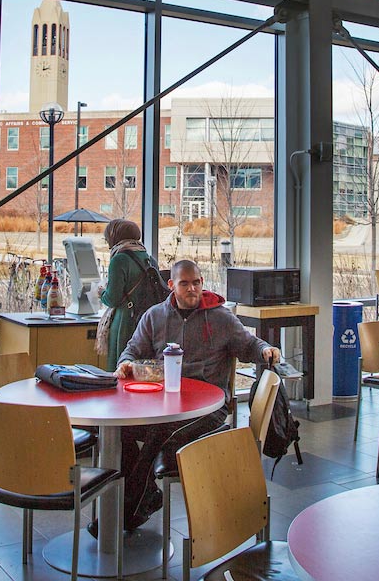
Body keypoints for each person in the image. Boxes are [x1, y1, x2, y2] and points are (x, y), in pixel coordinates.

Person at [115, 259, 280, 531]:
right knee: (122, 431)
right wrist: (126, 363)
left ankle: (126, 511)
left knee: (160, 434)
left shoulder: (220, 317)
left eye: (196, 283)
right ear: (171, 286)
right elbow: (131, 351)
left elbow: (249, 344)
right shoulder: (154, 316)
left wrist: (265, 349)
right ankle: (146, 496)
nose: (192, 289)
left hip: (209, 411)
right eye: (184, 284)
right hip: (164, 406)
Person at [97, 218, 159, 371]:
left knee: (120, 368)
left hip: (125, 321)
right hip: (147, 320)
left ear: (114, 237)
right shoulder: (150, 259)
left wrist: (101, 293)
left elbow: (113, 299)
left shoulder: (119, 260)